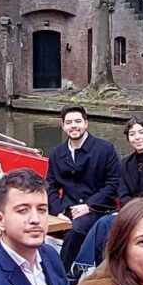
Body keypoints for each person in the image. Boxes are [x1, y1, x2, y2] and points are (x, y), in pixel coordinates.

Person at [72, 115, 143, 272]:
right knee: (103, 224)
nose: (137, 137)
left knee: (107, 224)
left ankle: (97, 269)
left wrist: (132, 211)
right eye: (132, 134)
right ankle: (87, 267)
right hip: (127, 210)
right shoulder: (125, 163)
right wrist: (127, 210)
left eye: (141, 132)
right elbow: (122, 192)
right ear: (128, 139)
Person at [46, 105, 121, 272]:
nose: (74, 126)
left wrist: (89, 205)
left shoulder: (105, 149)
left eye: (78, 121)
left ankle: (64, 276)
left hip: (98, 208)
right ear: (63, 126)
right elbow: (50, 185)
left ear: (86, 124)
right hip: (66, 210)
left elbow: (113, 183)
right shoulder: (57, 153)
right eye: (69, 122)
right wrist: (57, 212)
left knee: (75, 230)